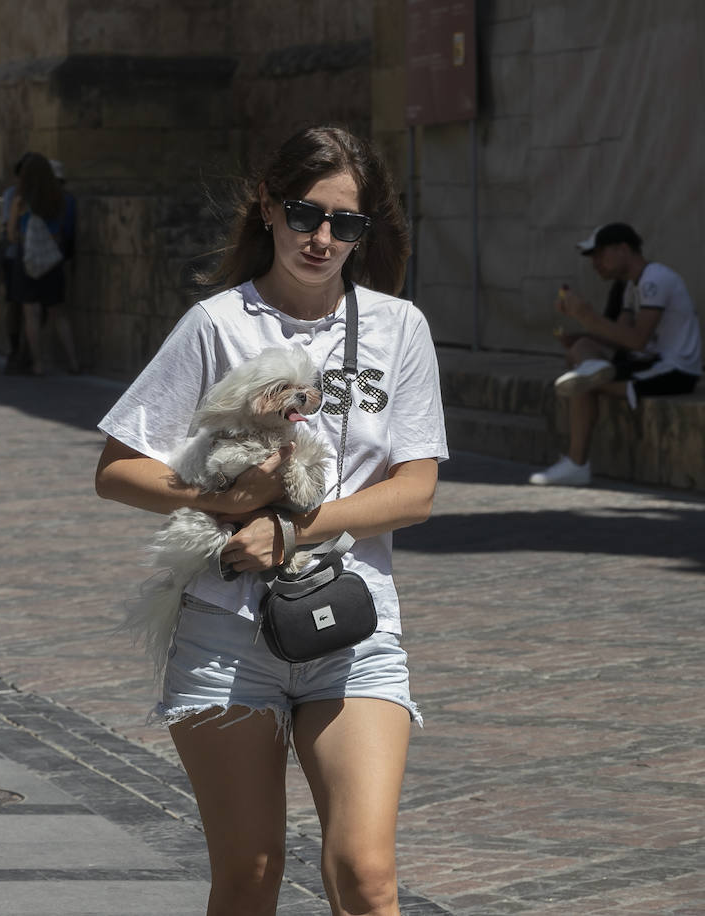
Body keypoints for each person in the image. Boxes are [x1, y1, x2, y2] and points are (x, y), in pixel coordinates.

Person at [94, 126, 446, 916]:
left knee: (366, 875)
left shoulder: (399, 328)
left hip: (354, 627)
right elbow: (118, 469)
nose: (322, 239)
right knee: (250, 877)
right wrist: (224, 502)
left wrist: (292, 529)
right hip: (226, 636)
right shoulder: (216, 324)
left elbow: (415, 491)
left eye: (345, 223)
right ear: (268, 207)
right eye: (305, 214)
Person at [529, 223, 703, 487]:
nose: (596, 263)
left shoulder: (655, 278)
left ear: (623, 248)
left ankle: (577, 463)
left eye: (600, 254)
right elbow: (619, 337)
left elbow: (637, 340)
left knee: (581, 383)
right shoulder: (633, 287)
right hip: (648, 362)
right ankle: (590, 369)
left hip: (675, 371)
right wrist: (578, 336)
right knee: (580, 351)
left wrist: (585, 315)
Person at [8, 153, 79, 375]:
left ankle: (38, 364)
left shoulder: (20, 200)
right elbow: (61, 232)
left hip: (28, 260)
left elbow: (12, 235)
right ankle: (74, 362)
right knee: (58, 313)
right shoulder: (58, 198)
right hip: (52, 260)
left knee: (32, 313)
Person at [0, 153, 30, 373]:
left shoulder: (41, 196)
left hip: (33, 257)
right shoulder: (14, 196)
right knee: (15, 305)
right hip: (15, 256)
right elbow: (9, 231)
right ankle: (15, 349)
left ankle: (26, 352)